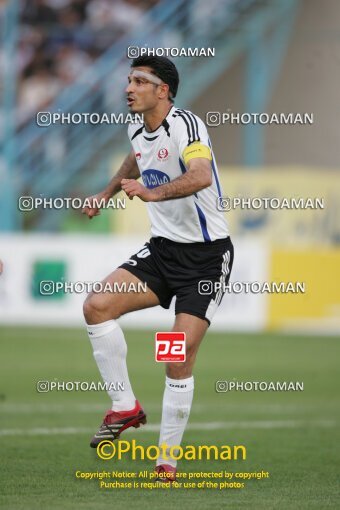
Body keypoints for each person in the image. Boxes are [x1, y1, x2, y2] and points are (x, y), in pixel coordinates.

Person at [82, 55, 234, 482]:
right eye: (129, 80)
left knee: (175, 354)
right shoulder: (136, 124)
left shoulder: (189, 126)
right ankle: (125, 407)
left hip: (205, 257)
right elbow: (137, 156)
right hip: (162, 253)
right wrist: (108, 191)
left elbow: (201, 175)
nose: (129, 87)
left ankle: (167, 460)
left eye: (139, 81)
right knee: (96, 307)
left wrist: (153, 194)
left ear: (162, 90)